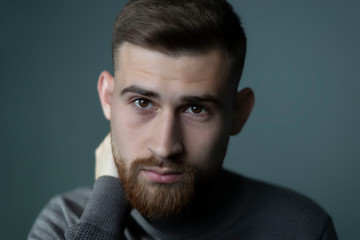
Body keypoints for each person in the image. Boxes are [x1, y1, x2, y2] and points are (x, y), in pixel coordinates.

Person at [28, 0, 338, 239]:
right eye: (142, 102)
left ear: (239, 113)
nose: (165, 147)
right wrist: (99, 223)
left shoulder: (301, 228)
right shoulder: (67, 223)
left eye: (196, 109)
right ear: (108, 98)